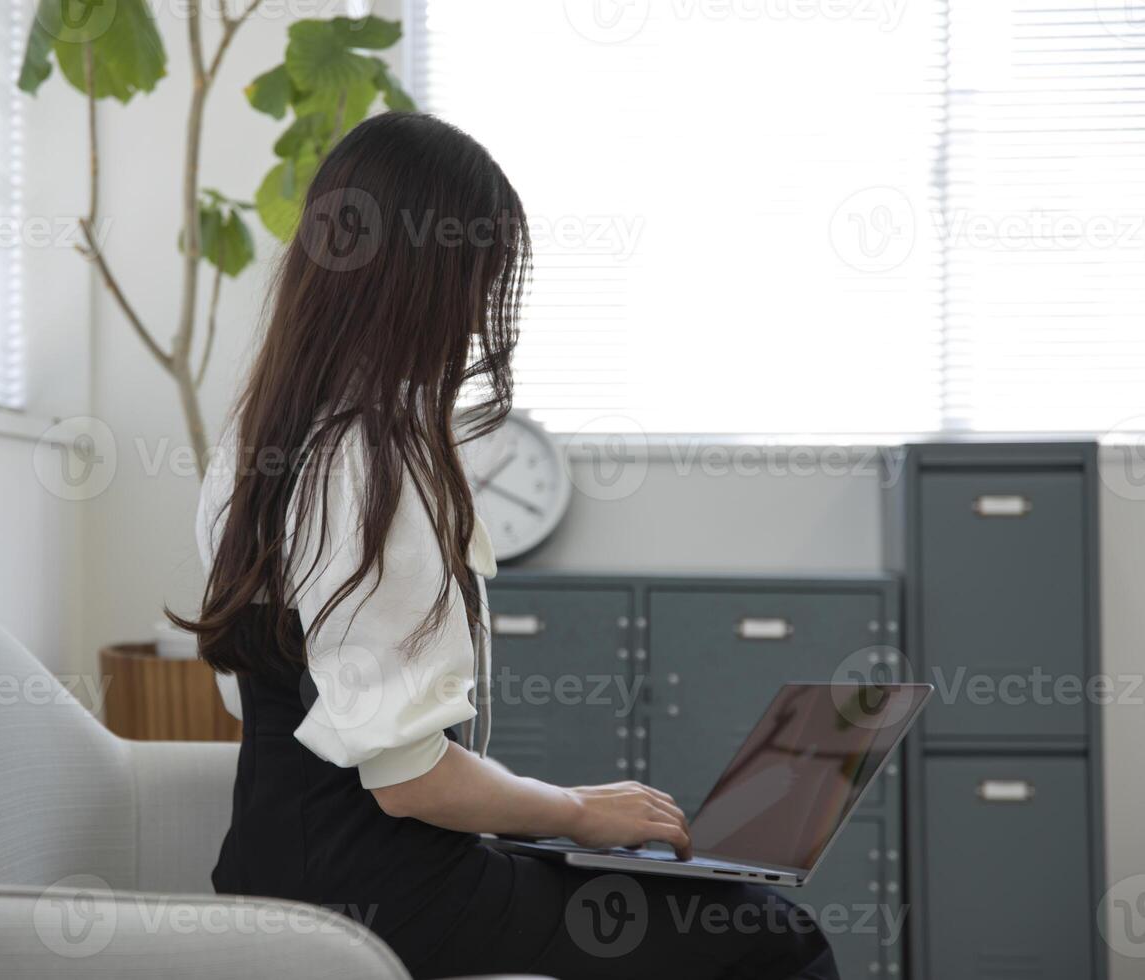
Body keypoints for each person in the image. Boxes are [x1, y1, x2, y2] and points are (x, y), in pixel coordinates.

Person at [172, 112, 839, 980]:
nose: (481, 312)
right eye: (478, 281)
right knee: (770, 936)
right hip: (382, 902)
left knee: (675, 897)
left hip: (283, 873)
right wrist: (574, 814)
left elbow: (275, 708)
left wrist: (559, 814)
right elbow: (406, 781)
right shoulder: (371, 462)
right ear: (424, 282)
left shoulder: (261, 438)